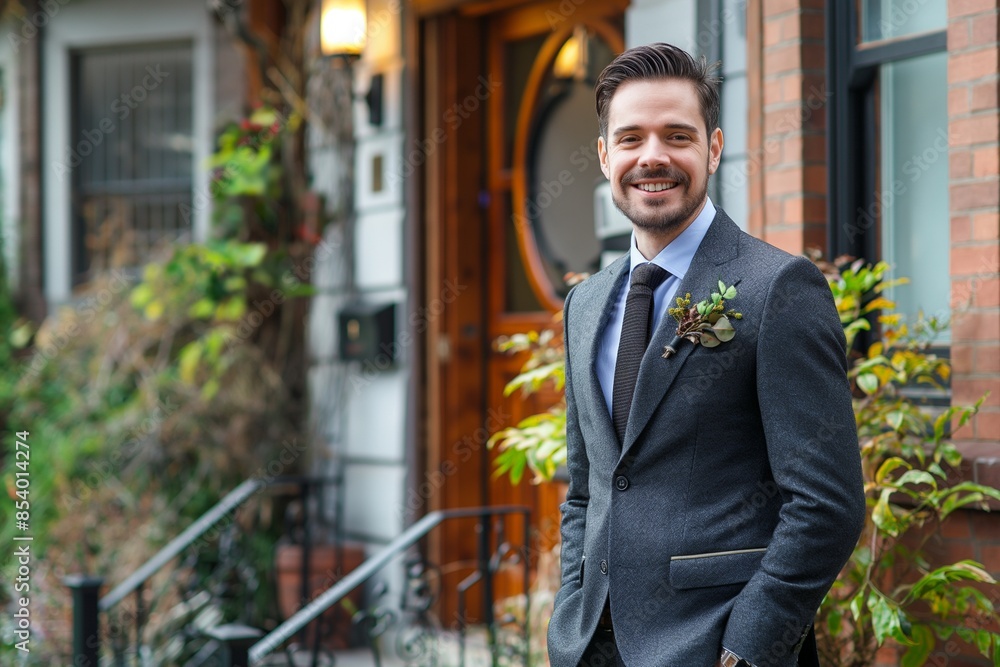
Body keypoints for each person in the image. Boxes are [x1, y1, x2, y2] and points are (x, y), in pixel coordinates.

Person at [546, 42, 866, 667]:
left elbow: (828, 503)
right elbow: (586, 489)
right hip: (594, 645)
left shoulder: (778, 288)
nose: (653, 157)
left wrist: (750, 644)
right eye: (632, 138)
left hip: (715, 645)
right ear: (606, 155)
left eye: (677, 135)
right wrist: (571, 611)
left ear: (714, 148)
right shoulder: (584, 304)